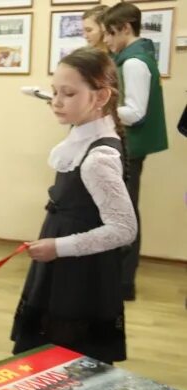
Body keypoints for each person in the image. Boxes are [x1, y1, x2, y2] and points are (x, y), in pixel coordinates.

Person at [11, 47, 136, 365]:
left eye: (67, 93)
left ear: (100, 96)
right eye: (54, 92)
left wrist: (59, 247)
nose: (56, 101)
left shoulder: (98, 158)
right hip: (64, 266)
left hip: (80, 277)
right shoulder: (84, 135)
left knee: (69, 363)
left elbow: (124, 229)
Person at [102, 2, 168, 301]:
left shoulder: (134, 62)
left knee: (125, 214)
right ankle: (118, 277)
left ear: (126, 28)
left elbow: (136, 112)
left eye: (110, 33)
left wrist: (102, 105)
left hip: (131, 148)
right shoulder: (132, 57)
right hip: (128, 148)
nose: (107, 41)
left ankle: (123, 281)